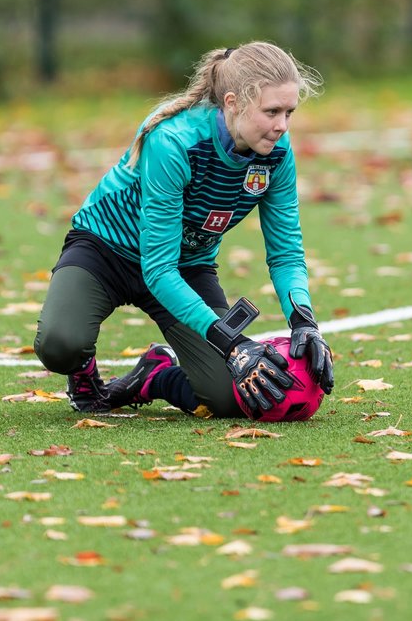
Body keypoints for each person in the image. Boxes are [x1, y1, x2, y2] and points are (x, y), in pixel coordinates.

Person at [33, 41, 334, 419]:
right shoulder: (174, 141)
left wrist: (304, 320)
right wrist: (233, 344)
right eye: (272, 111)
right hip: (106, 251)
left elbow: (286, 253)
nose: (282, 126)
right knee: (60, 344)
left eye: (289, 112)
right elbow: (157, 269)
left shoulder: (276, 153)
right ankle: (83, 374)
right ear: (232, 102)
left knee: (230, 398)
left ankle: (154, 376)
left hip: (186, 266)